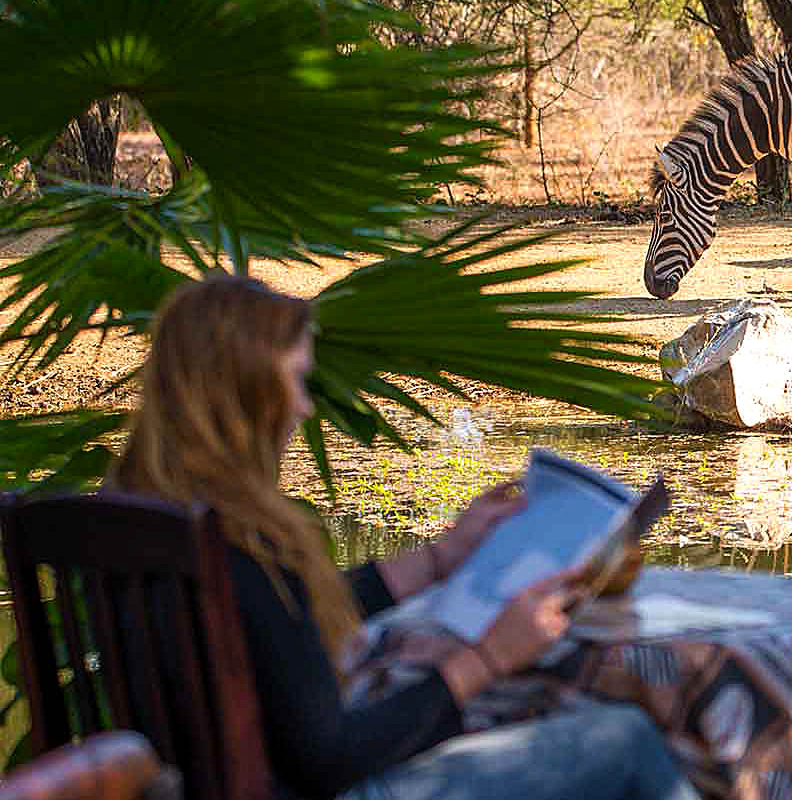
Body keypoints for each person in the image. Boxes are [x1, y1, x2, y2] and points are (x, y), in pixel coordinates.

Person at [107, 275, 697, 800]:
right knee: (624, 739)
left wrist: (440, 558)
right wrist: (486, 659)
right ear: (248, 396)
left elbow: (271, 632)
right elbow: (329, 758)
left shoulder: (134, 516)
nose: (305, 408)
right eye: (297, 383)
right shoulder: (248, 541)